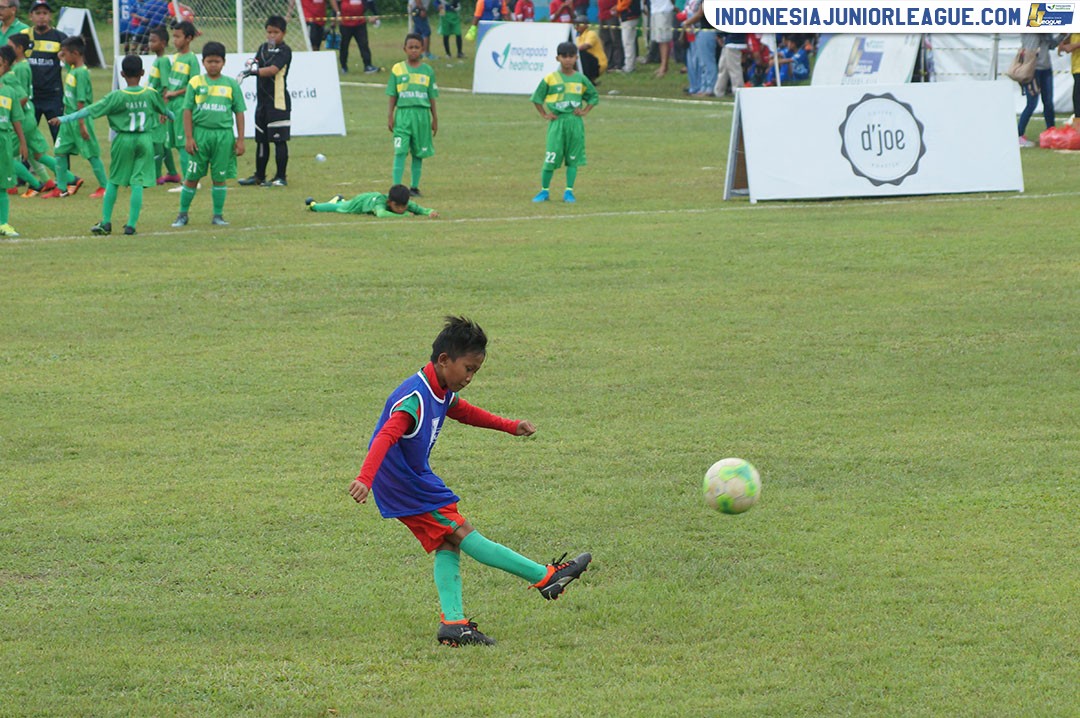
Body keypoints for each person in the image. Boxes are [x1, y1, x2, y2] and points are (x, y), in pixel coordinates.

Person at [346, 316, 592, 647]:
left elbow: (465, 412)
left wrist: (510, 425)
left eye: (476, 370)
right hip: (404, 485)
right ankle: (545, 577)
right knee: (461, 532)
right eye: (468, 368)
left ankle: (454, 623)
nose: (470, 377)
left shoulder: (441, 387)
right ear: (445, 360)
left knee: (446, 542)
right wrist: (365, 478)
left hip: (416, 478)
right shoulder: (415, 397)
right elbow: (385, 436)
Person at [50, 55, 167, 236]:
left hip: (124, 139)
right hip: (145, 139)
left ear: (121, 73)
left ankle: (105, 222)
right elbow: (165, 110)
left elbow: (89, 110)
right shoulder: (150, 93)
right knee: (138, 181)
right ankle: (131, 225)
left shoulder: (117, 96)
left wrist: (64, 118)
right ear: (143, 73)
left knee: (113, 181)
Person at [170, 41, 246, 228]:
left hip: (223, 137)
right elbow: (187, 110)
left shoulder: (230, 85)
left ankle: (218, 215)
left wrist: (241, 139)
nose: (213, 65)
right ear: (203, 62)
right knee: (192, 177)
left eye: (217, 61)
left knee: (219, 177)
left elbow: (239, 112)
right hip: (200, 135)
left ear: (224, 62)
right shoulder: (195, 83)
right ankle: (182, 214)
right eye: (210, 61)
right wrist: (189, 137)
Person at [530, 41, 598, 203]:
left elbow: (593, 96)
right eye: (564, 57)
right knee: (551, 157)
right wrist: (544, 114)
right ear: (557, 58)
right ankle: (544, 191)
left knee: (572, 159)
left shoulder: (580, 79)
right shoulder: (550, 79)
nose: (568, 60)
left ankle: (569, 192)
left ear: (576, 58)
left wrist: (585, 111)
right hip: (558, 122)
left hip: (574, 123)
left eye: (571, 57)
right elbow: (537, 97)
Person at [238, 16, 293, 187]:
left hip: (278, 103)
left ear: (283, 33)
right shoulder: (263, 48)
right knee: (261, 140)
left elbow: (272, 70)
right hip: (261, 103)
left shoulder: (285, 51)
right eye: (269, 32)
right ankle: (259, 176)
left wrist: (253, 72)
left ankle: (280, 177)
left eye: (275, 32)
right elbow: (256, 63)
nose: (271, 36)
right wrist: (250, 65)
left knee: (279, 140)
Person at [5, 34, 59, 196]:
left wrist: (10, 114)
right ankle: (50, 181)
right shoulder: (21, 66)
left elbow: (21, 96)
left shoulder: (18, 69)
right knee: (36, 154)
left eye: (11, 46)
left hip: (22, 116)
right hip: (26, 114)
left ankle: (33, 183)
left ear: (19, 49)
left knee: (7, 154)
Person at [387, 33, 438, 197]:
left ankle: (414, 187)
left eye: (417, 47)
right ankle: (396, 187)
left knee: (418, 152)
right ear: (405, 49)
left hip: (422, 116)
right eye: (411, 47)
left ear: (422, 49)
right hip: (403, 115)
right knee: (400, 151)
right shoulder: (397, 69)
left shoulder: (428, 71)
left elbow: (432, 97)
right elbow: (392, 94)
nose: (414, 51)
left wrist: (435, 118)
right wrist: (390, 115)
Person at [55, 36, 106, 198]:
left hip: (79, 119)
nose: (62, 56)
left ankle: (104, 186)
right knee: (60, 151)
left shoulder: (82, 74)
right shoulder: (72, 69)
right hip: (67, 119)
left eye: (65, 53)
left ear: (75, 53)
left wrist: (82, 124)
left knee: (91, 153)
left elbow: (81, 101)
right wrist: (63, 56)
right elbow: (66, 60)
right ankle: (61, 188)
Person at [20, 0, 65, 141]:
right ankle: (27, 163)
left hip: (54, 95)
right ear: (30, 16)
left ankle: (60, 164)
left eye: (45, 13)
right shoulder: (23, 36)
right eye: (38, 13)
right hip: (30, 96)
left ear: (50, 16)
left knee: (59, 138)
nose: (41, 16)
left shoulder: (60, 38)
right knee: (26, 137)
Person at [162, 21, 199, 190]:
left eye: (178, 37)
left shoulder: (192, 59)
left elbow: (194, 86)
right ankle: (188, 179)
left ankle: (190, 181)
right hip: (172, 106)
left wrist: (175, 94)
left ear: (189, 38)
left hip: (183, 106)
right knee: (176, 144)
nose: (174, 40)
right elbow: (171, 84)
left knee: (184, 142)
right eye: (173, 36)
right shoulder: (176, 58)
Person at [145, 25, 181, 184]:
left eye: (154, 41)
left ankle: (156, 175)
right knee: (163, 141)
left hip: (159, 107)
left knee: (157, 141)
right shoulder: (157, 60)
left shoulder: (164, 61)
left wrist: (163, 110)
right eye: (149, 40)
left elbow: (166, 87)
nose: (150, 43)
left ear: (163, 43)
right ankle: (172, 173)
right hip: (153, 106)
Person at [0, 45, 27, 236]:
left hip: (3, 140)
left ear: (5, 67)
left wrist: (23, 142)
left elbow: (16, 118)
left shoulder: (9, 91)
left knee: (3, 184)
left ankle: (3, 223)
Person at [303, 183, 439, 217]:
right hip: (359, 202)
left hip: (368, 197)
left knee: (341, 203)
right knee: (339, 208)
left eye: (404, 207)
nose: (401, 209)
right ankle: (314, 205)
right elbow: (381, 214)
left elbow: (419, 209)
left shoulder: (403, 201)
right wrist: (406, 215)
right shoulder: (380, 203)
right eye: (397, 207)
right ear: (389, 202)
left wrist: (430, 212)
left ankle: (338, 199)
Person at [338, 0, 377, 73]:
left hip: (360, 23)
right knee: (344, 46)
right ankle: (343, 67)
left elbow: (370, 2)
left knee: (364, 44)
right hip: (345, 24)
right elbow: (336, 3)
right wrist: (337, 13)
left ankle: (368, 66)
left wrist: (374, 14)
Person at [574, 15, 607, 84]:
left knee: (580, 53)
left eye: (579, 24)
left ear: (586, 25)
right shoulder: (577, 38)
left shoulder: (591, 33)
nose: (576, 26)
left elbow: (587, 46)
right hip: (589, 63)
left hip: (598, 63)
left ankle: (588, 80)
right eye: (575, 24)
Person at [1057, 34, 1080, 129]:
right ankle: (1078, 129)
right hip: (1076, 67)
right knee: (1077, 100)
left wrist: (1072, 46)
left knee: (1077, 98)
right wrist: (1064, 41)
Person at [714, 31, 746, 96]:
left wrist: (719, 34)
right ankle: (719, 90)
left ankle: (738, 91)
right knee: (723, 68)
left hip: (733, 42)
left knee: (734, 69)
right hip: (731, 42)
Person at [648, 0, 675, 77]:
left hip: (663, 10)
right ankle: (662, 65)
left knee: (664, 40)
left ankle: (664, 66)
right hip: (655, 10)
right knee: (659, 40)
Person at [597, 0, 623, 74]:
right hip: (602, 15)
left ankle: (618, 63)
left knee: (616, 40)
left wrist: (618, 6)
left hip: (612, 14)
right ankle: (609, 62)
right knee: (606, 40)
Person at [616, 0, 640, 72]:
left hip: (629, 16)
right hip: (629, 16)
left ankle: (629, 67)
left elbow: (624, 4)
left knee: (627, 43)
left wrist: (617, 8)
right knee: (629, 42)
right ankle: (630, 64)